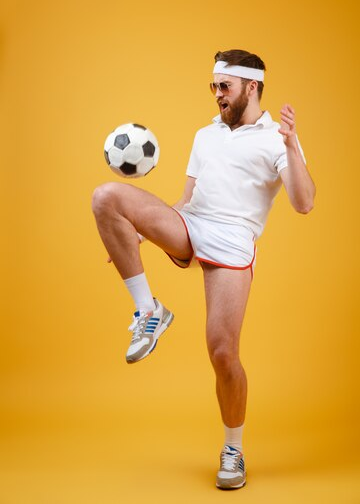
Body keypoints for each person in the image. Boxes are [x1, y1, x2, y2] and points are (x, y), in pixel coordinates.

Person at [92, 49, 316, 490]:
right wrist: (145, 229)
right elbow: (188, 200)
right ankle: (149, 311)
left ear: (251, 87)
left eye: (224, 86)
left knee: (222, 353)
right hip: (193, 224)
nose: (216, 94)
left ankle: (233, 447)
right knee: (106, 197)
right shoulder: (205, 135)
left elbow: (304, 203)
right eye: (214, 85)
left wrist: (292, 145)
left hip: (233, 242)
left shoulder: (276, 138)